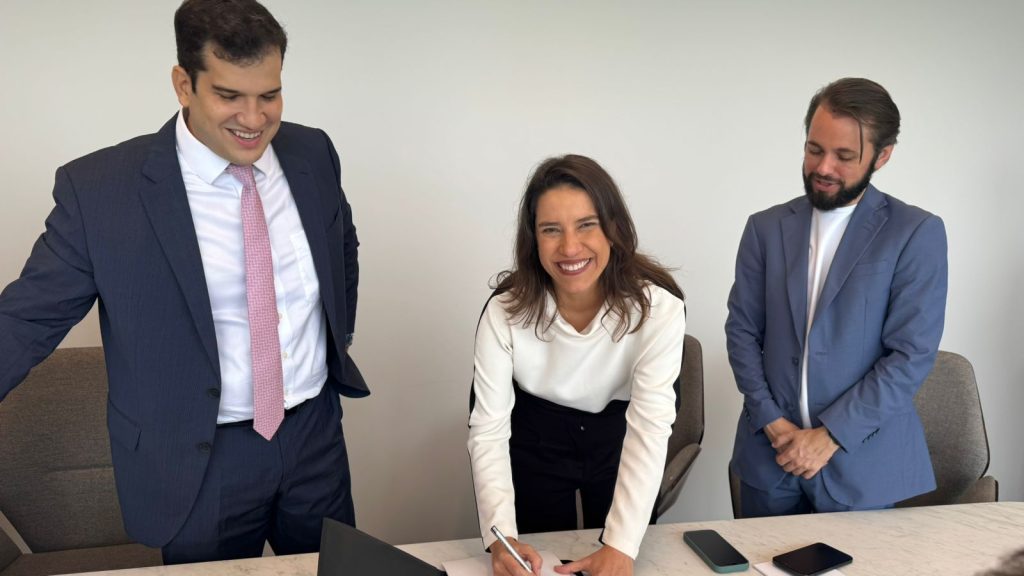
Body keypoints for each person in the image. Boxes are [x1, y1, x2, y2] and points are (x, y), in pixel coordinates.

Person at [0, 0, 364, 564]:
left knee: (337, 569)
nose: (254, 118)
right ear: (183, 84)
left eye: (269, 95)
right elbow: (26, 319)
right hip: (200, 458)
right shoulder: (101, 191)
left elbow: (341, 250)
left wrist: (334, 343)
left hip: (314, 436)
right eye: (229, 95)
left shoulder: (312, 152)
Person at [726, 77, 948, 517]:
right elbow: (742, 332)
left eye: (844, 156)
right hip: (769, 458)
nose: (823, 167)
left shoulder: (915, 232)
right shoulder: (764, 228)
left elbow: (910, 355)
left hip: (862, 464)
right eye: (814, 149)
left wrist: (829, 436)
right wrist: (772, 422)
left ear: (882, 156)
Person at [468, 155, 686, 576]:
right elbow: (488, 429)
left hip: (620, 437)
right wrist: (501, 537)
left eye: (586, 225)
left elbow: (650, 427)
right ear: (533, 238)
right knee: (539, 558)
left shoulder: (659, 308)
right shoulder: (504, 310)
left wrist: (620, 546)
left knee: (620, 555)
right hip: (536, 436)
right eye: (551, 230)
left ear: (614, 228)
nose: (569, 248)